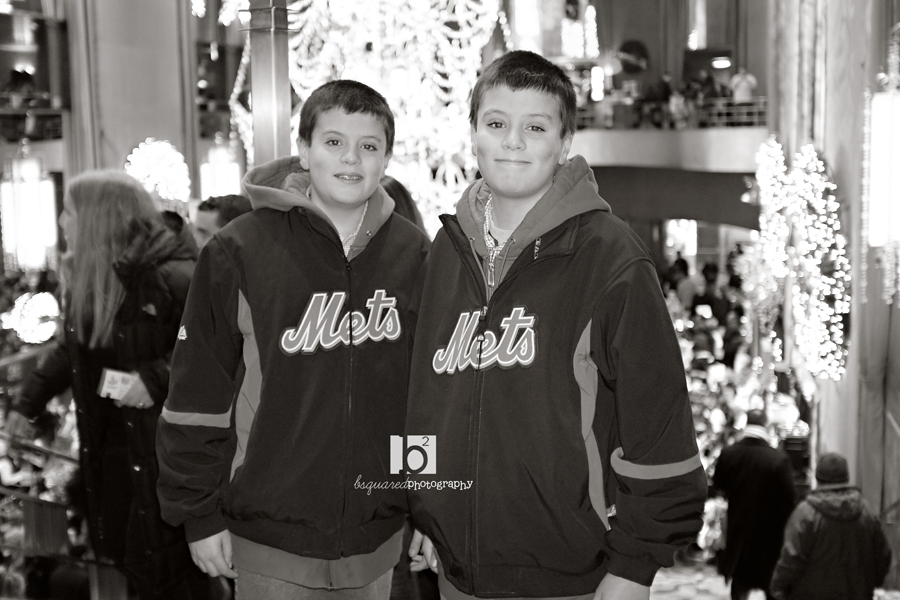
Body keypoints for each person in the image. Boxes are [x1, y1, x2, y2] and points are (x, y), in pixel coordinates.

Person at [405, 50, 707, 600]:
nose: (513, 142)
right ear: (474, 135)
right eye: (497, 124)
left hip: (571, 577)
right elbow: (425, 399)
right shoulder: (447, 251)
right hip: (454, 573)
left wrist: (636, 564)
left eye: (536, 127)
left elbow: (659, 422)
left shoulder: (611, 257)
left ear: (565, 143)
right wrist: (426, 507)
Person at [156, 80, 430, 600]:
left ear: (387, 158)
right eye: (333, 141)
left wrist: (428, 506)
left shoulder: (415, 255)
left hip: (377, 540)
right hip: (267, 539)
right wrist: (198, 513)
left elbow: (426, 401)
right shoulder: (238, 250)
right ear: (303, 150)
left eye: (369, 146)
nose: (351, 158)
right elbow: (197, 394)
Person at [5, 170, 209, 599]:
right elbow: (73, 350)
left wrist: (154, 379)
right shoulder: (90, 275)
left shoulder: (176, 276)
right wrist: (28, 402)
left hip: (163, 456)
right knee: (130, 561)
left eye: (69, 211)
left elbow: (215, 352)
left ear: (99, 217)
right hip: (112, 452)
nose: (62, 221)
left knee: (171, 573)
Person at [770, 452, 892, 600]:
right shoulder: (866, 512)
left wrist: (778, 587)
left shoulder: (806, 513)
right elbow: (883, 555)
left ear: (817, 477)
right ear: (846, 478)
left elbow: (791, 558)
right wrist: (869, 584)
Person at [712, 410, 797, 600]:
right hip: (770, 535)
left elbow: (719, 486)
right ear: (766, 426)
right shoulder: (778, 459)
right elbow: (789, 500)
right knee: (771, 585)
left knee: (740, 584)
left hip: (737, 530)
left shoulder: (729, 454)